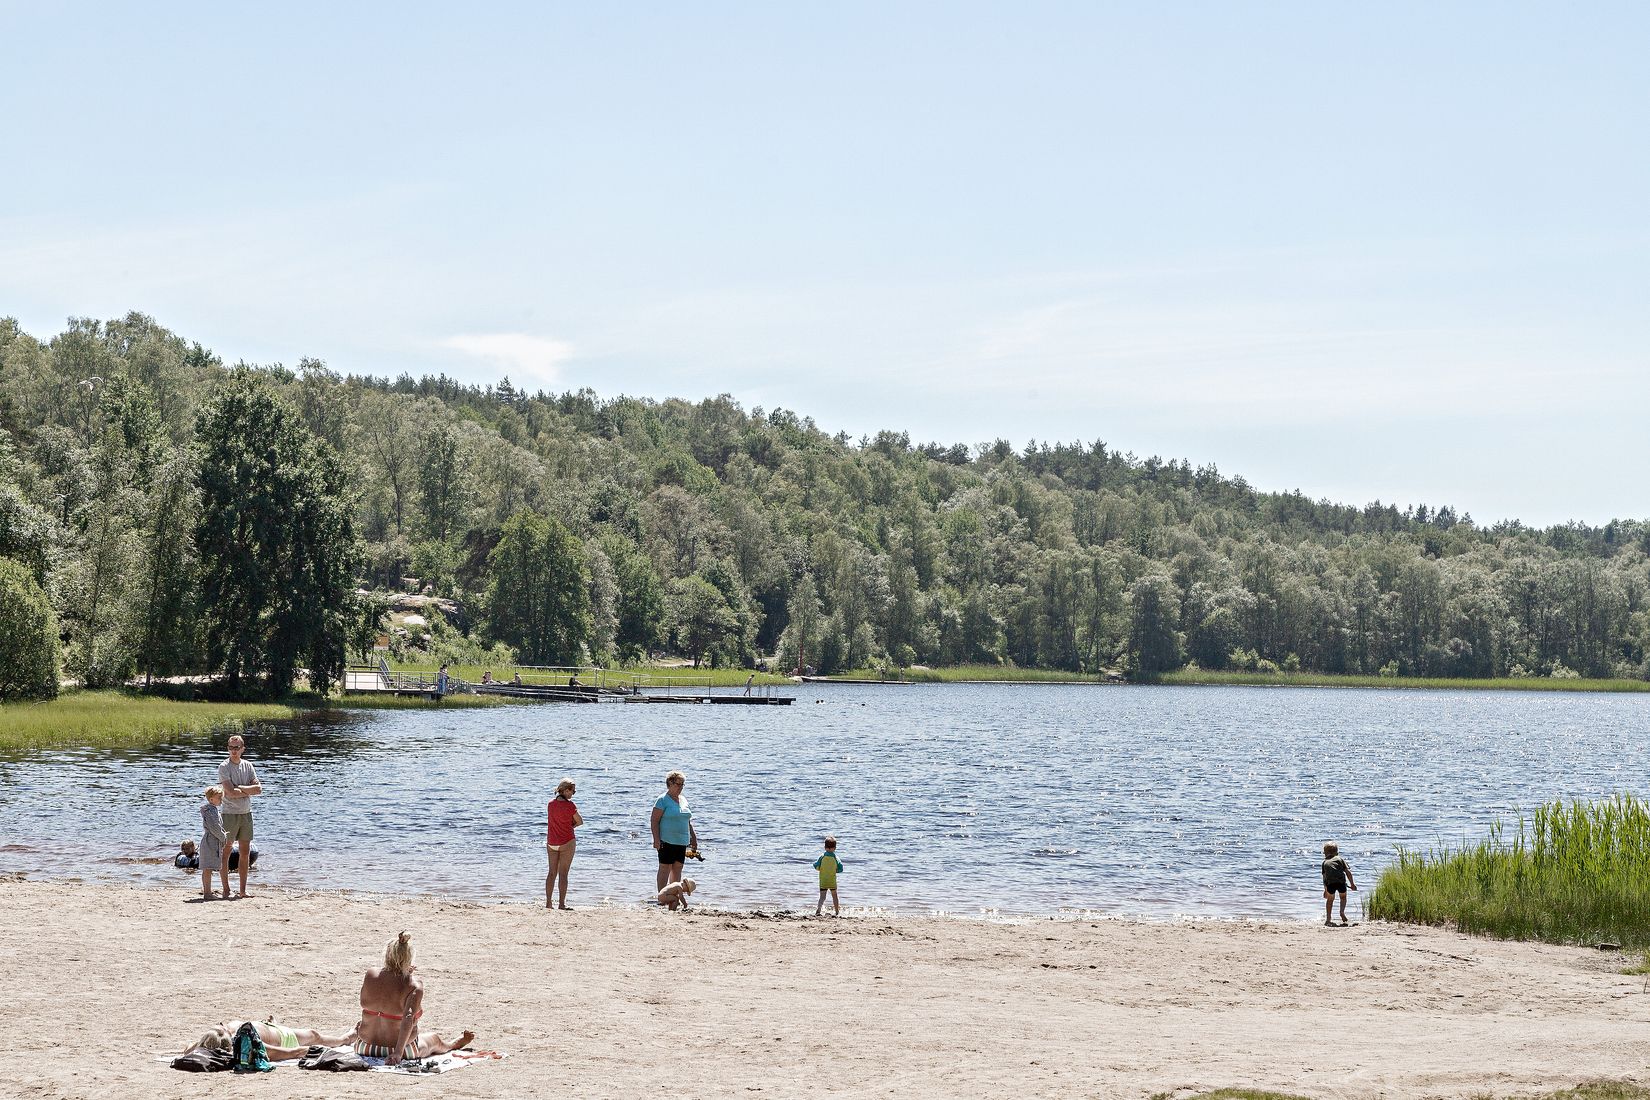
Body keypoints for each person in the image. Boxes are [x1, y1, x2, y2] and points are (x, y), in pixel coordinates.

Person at [355, 932, 475, 1065]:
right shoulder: (414, 984)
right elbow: (408, 1018)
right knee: (434, 1039)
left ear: (387, 954)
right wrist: (398, 1053)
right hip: (403, 1050)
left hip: (364, 1047)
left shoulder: (371, 974)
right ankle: (451, 1045)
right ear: (409, 957)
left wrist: (402, 972)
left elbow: (386, 991)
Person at [183, 1018, 356, 1061]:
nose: (222, 1024)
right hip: (283, 1037)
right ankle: (345, 1039)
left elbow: (196, 1047)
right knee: (314, 1036)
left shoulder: (219, 1037)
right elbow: (288, 1052)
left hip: (266, 1026)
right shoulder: (249, 1044)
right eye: (222, 1027)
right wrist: (306, 1051)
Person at [217, 736, 261, 899]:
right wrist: (247, 790)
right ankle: (226, 889)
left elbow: (258, 789)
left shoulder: (248, 765)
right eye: (231, 747)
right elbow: (230, 793)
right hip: (229, 814)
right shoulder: (224, 767)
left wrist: (241, 788)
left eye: (237, 747)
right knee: (226, 851)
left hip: (246, 814)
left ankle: (243, 890)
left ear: (243, 748)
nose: (233, 751)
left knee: (245, 852)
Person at [650, 770, 698, 894]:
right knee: (665, 867)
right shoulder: (662, 800)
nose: (681, 787)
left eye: (682, 784)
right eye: (678, 784)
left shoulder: (683, 800)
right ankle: (662, 896)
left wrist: (693, 837)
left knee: (677, 868)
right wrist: (656, 839)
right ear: (670, 783)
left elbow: (687, 820)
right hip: (666, 840)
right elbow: (654, 821)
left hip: (682, 841)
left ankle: (673, 896)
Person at [545, 778, 583, 910]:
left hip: (551, 842)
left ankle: (548, 903)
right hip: (566, 841)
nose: (573, 793)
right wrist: (570, 826)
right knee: (563, 874)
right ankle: (561, 904)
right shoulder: (570, 806)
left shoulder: (550, 804)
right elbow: (580, 822)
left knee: (551, 873)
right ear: (566, 790)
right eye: (573, 791)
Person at [199, 785, 228, 900]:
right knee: (207, 868)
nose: (221, 800)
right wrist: (223, 837)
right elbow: (214, 828)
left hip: (211, 841)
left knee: (208, 868)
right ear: (211, 799)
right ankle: (207, 893)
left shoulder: (213, 810)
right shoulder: (210, 811)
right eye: (219, 797)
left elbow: (217, 827)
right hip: (210, 842)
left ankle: (207, 891)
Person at [1322, 841, 1357, 926]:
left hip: (1330, 884)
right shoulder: (1340, 859)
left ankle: (1328, 919)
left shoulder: (1324, 863)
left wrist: (1325, 890)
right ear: (1337, 852)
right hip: (1341, 883)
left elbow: (1324, 878)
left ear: (1324, 853)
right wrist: (1352, 884)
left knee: (1330, 901)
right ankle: (1341, 912)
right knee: (1343, 898)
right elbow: (1348, 872)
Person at [814, 835, 845, 917]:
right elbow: (840, 868)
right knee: (834, 896)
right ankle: (837, 911)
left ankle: (818, 909)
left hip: (823, 880)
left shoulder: (822, 856)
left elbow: (816, 866)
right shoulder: (835, 857)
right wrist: (835, 871)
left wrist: (820, 869)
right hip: (832, 880)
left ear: (825, 847)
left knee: (822, 897)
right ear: (835, 848)